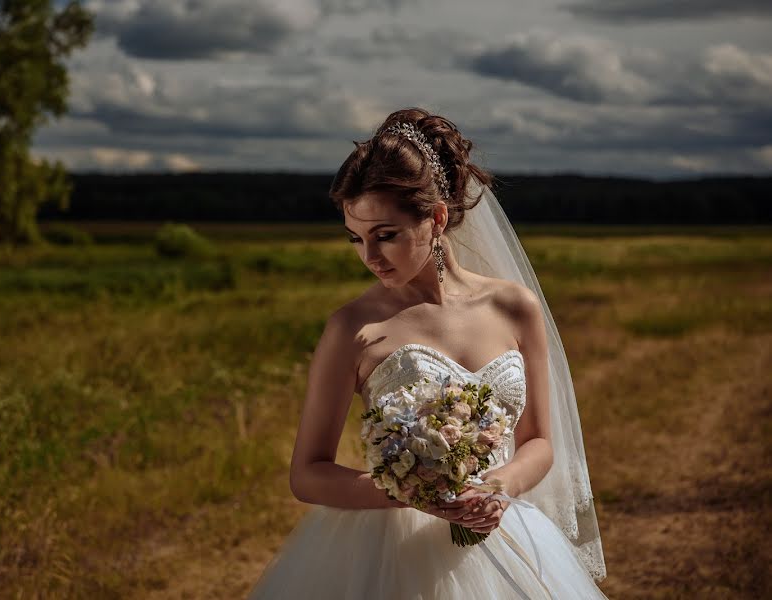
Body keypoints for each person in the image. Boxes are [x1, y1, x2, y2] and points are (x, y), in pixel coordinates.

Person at [247, 108, 607, 599]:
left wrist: (499, 488)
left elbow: (540, 441)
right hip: (391, 554)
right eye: (356, 238)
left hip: (501, 531)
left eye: (386, 235)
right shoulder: (353, 327)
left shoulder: (514, 307)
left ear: (437, 218)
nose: (369, 257)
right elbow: (308, 473)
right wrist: (413, 493)